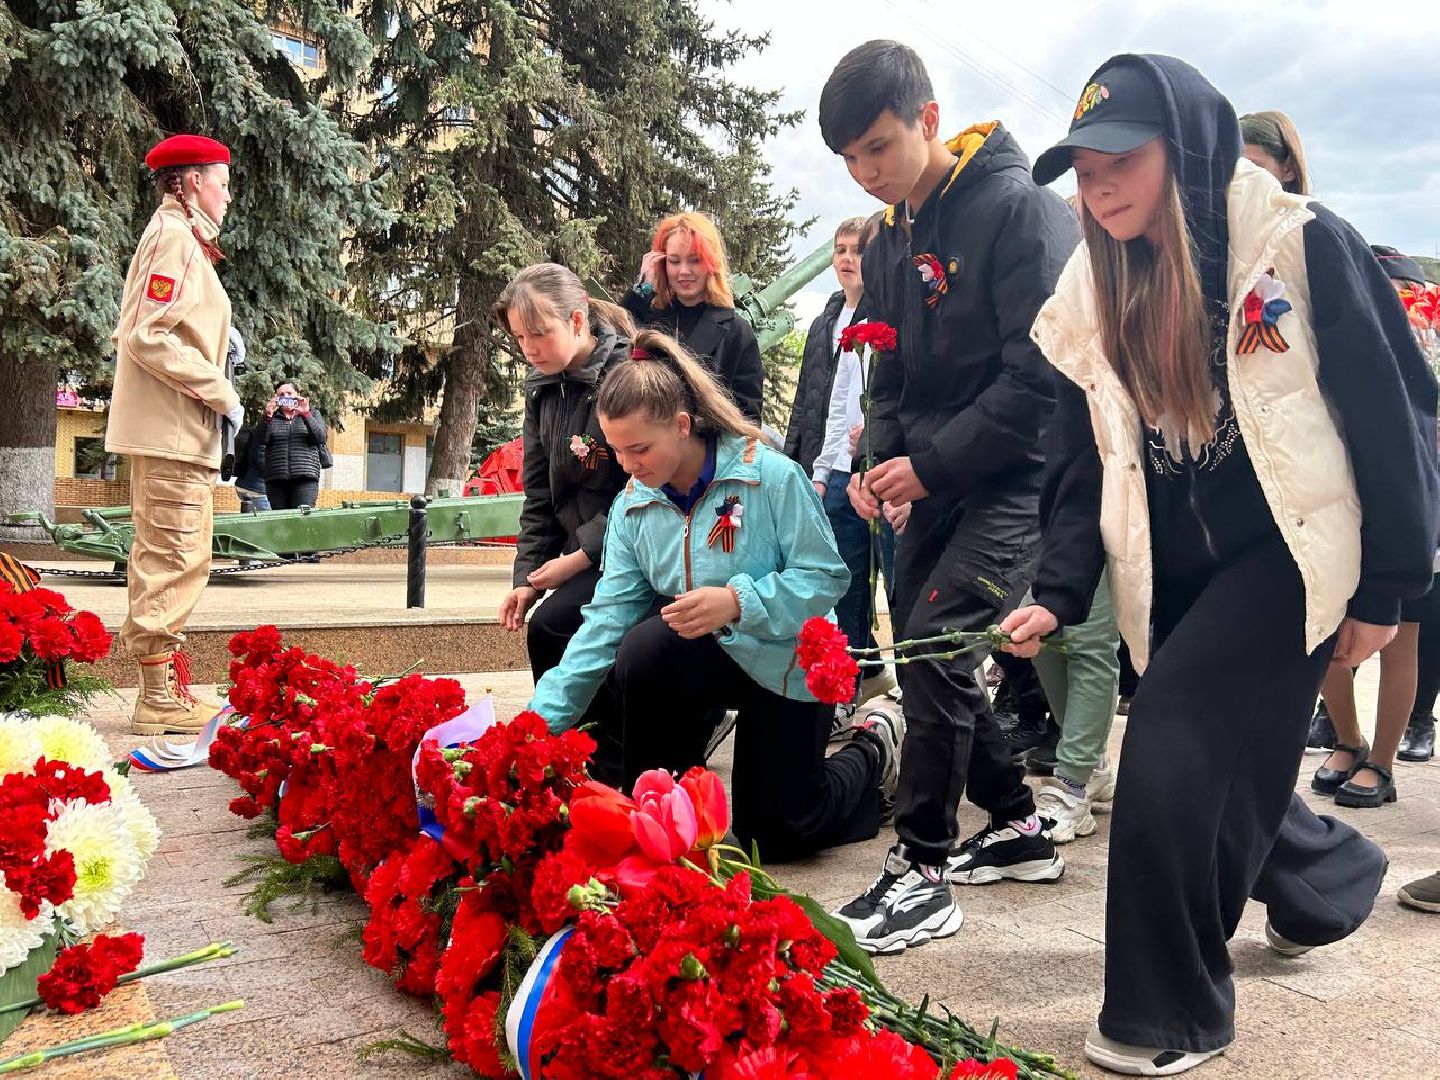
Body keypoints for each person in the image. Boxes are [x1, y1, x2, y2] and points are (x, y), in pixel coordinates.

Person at [1007, 54, 1436, 1075]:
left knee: (1172, 739)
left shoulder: (1297, 243)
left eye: (1121, 157)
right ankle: (1328, 878)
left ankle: (1170, 1011)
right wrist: (1057, 588)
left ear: (1187, 149)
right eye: (1081, 165)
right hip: (1174, 564)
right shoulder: (1089, 285)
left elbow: (1397, 413)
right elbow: (1081, 458)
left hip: (1291, 549)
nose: (1097, 182)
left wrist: (1386, 586)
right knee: (1223, 761)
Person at [818, 40, 1079, 956]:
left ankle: (922, 866)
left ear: (929, 120)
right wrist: (877, 466)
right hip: (928, 483)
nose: (866, 172)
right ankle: (1016, 824)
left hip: (1020, 481)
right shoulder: (890, 234)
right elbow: (886, 367)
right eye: (849, 159)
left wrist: (928, 467)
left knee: (929, 648)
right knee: (932, 653)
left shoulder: (1019, 212)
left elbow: (1040, 378)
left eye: (879, 148)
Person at [526, 330, 900, 862]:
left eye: (640, 449)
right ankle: (661, 809)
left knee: (774, 837)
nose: (628, 466)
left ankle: (875, 746)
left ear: (682, 425)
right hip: (708, 653)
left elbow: (824, 579)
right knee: (643, 648)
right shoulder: (634, 506)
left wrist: (738, 600)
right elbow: (604, 624)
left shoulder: (769, 477)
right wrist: (533, 729)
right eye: (617, 451)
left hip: (789, 656)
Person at [105, 133, 242, 737]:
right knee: (175, 554)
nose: (228, 196)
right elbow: (144, 334)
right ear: (190, 183)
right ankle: (157, 698)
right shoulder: (175, 240)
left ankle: (163, 686)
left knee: (176, 553)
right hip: (173, 430)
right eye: (221, 182)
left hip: (176, 430)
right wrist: (220, 386)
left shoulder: (182, 240)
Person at [1310, 246, 1439, 806]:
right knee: (1326, 627)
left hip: (1407, 501)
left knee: (1401, 633)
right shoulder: (1336, 334)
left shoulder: (1426, 350)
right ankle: (1346, 739)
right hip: (1337, 498)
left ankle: (1382, 760)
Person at [495, 263, 635, 743]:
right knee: (546, 623)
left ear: (578, 321)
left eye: (538, 333)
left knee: (556, 628)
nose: (528, 348)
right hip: (583, 555)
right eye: (519, 337)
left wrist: (577, 559)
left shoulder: (626, 375)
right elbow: (539, 496)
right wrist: (526, 580)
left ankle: (596, 758)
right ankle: (568, 756)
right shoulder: (542, 388)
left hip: (631, 549)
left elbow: (641, 491)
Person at [790, 214, 897, 726]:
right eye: (841, 249)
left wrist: (873, 438)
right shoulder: (830, 320)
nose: (848, 258)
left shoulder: (890, 313)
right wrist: (819, 469)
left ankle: (912, 698)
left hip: (885, 468)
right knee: (844, 582)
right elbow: (827, 403)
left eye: (859, 249)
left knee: (896, 583)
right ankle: (846, 690)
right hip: (838, 472)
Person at [621, 211, 764, 423]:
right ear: (662, 263)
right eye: (674, 261)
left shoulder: (737, 332)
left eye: (695, 260)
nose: (684, 271)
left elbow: (748, 418)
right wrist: (642, 289)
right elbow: (615, 350)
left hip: (706, 451)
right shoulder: (648, 319)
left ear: (711, 263)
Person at [1028, 572, 1121, 842]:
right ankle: (1093, 764)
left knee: (1087, 638)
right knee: (1044, 639)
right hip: (1037, 534)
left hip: (1101, 533)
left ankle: (1072, 784)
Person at [257, 380, 327, 511]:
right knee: (281, 522)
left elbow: (320, 437)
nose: (286, 396)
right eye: (281, 394)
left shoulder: (312, 414)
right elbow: (260, 440)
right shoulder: (271, 417)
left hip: (305, 477)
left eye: (289, 393)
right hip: (276, 479)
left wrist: (306, 414)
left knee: (302, 519)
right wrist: (267, 417)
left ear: (297, 395)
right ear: (276, 398)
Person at [1239, 110, 1311, 195]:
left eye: (1251, 167)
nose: (1237, 178)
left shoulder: (1307, 208)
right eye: (1230, 168)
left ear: (1289, 170)